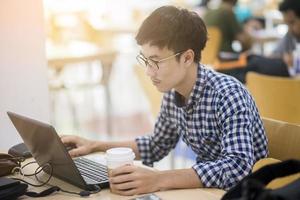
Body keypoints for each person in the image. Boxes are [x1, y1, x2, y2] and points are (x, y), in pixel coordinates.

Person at [61, 6, 268, 195]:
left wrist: (159, 179)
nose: (149, 72)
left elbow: (238, 167)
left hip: (249, 192)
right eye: (145, 60)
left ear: (187, 58)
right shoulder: (172, 92)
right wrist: (95, 145)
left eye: (156, 61)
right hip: (209, 191)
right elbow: (155, 145)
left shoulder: (228, 94)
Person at [218, 0, 300, 83]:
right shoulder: (291, 35)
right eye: (287, 24)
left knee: (254, 63)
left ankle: (225, 75)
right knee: (253, 60)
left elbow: (244, 40)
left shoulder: (225, 12)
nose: (290, 29)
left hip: (289, 78)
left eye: (292, 23)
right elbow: (274, 54)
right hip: (285, 73)